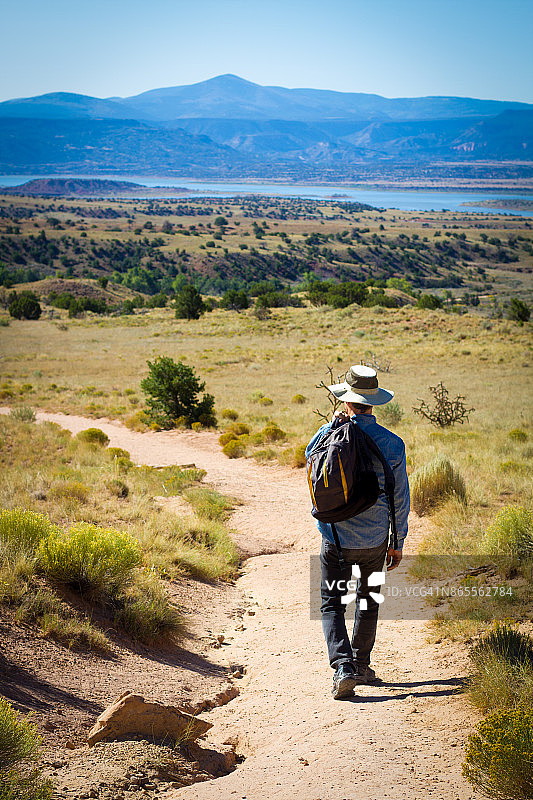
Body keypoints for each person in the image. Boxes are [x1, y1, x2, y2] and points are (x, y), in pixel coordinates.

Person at [306, 365, 410, 699]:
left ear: (347, 401)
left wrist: (335, 425)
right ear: (374, 402)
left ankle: (343, 669)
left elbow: (310, 458)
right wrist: (398, 541)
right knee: (368, 600)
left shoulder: (328, 432)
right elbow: (400, 498)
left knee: (331, 603)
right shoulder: (394, 444)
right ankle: (361, 664)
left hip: (335, 537)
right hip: (376, 541)